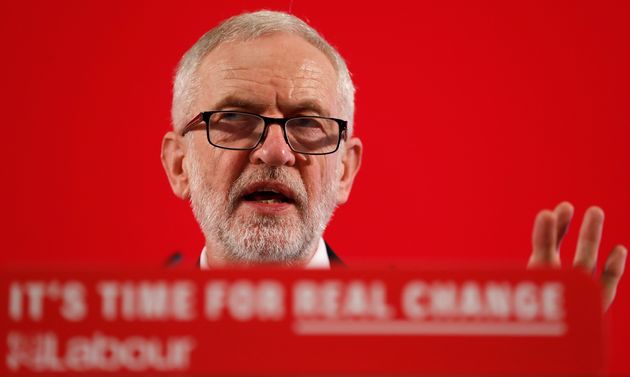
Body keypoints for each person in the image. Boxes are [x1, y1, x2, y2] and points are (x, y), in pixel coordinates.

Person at [160, 10, 626, 309]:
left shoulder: (433, 356)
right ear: (179, 165)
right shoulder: (106, 345)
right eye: (235, 119)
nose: (276, 151)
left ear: (344, 170)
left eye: (308, 124)